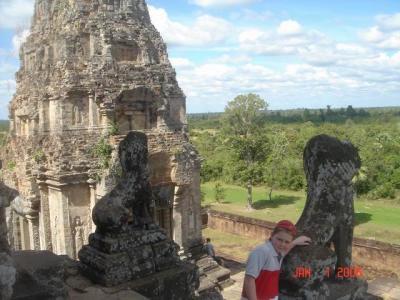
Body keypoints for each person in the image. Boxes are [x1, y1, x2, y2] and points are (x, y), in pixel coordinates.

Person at [241, 220, 311, 300]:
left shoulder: (277, 252)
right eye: (279, 239)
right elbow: (249, 279)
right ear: (271, 235)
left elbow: (285, 250)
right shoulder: (261, 252)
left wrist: (295, 242)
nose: (282, 244)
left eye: (287, 242)